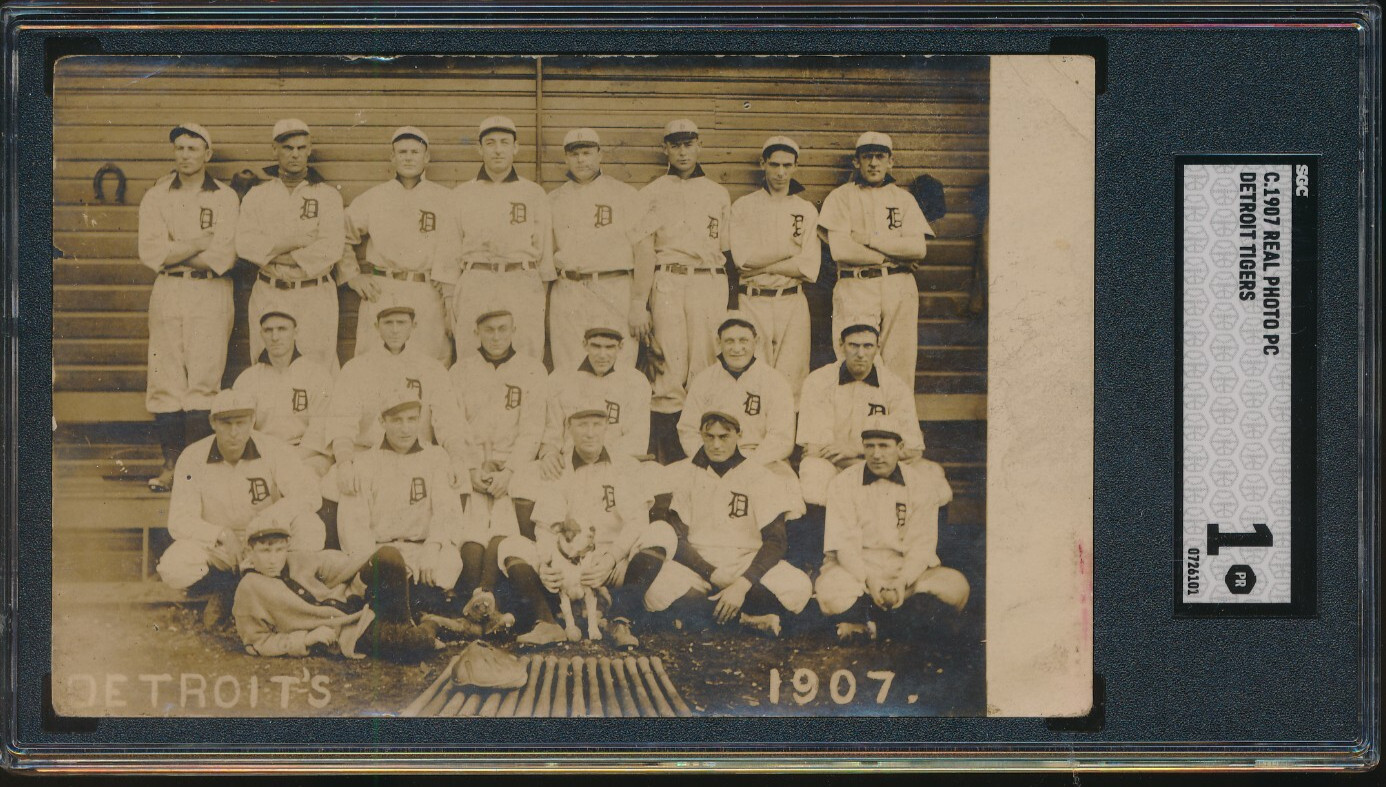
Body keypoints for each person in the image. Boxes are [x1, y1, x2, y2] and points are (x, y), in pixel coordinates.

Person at [500, 404, 668, 648]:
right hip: (571, 566)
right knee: (510, 545)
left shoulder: (625, 465)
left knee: (662, 532)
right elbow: (547, 527)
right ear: (569, 428)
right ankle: (546, 623)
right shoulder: (560, 467)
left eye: (596, 424)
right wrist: (547, 564)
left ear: (606, 427)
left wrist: (611, 559)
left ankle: (620, 620)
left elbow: (637, 522)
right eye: (582, 425)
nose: (590, 433)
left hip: (616, 563)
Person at [156, 389, 326, 628]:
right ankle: (226, 589)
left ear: (252, 421)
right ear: (213, 422)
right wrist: (221, 534)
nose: (234, 432)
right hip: (223, 549)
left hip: (268, 543)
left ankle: (280, 595)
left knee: (311, 527)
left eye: (241, 422)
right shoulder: (192, 457)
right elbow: (179, 520)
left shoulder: (274, 449)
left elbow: (309, 494)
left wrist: (268, 520)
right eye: (226, 423)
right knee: (175, 566)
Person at [643, 411, 813, 637]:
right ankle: (746, 620)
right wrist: (712, 573)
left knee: (798, 587)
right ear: (701, 436)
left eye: (724, 437)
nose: (716, 444)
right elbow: (677, 538)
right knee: (654, 589)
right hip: (699, 565)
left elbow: (776, 541)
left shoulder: (760, 476)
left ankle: (707, 614)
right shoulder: (686, 474)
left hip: (745, 561)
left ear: (738, 435)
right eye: (709, 436)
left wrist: (742, 585)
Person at [138, 122, 240, 492]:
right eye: (179, 148)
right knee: (164, 376)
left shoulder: (225, 197)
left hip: (211, 292)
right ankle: (170, 465)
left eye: (193, 149)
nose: (185, 155)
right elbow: (152, 254)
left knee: (204, 377)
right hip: (168, 290)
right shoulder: (157, 196)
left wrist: (176, 250)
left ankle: (196, 469)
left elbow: (224, 256)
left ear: (207, 154)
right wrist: (197, 242)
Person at [814, 419, 969, 642]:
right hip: (858, 572)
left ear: (900, 447)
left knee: (956, 587)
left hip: (906, 575)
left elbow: (921, 546)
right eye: (869, 446)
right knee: (831, 593)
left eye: (884, 446)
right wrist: (870, 580)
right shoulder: (843, 483)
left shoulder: (921, 485)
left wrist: (902, 581)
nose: (876, 454)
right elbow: (844, 546)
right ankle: (900, 623)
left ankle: (871, 624)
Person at [640, 119, 732, 449]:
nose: (682, 152)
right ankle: (671, 454)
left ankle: (707, 449)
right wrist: (642, 302)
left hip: (708, 279)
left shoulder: (717, 192)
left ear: (699, 145)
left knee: (706, 362)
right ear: (665, 149)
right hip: (667, 279)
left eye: (688, 144)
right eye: (675, 145)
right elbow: (646, 249)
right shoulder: (651, 193)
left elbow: (726, 250)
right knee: (668, 362)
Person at [816, 131, 933, 387]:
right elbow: (841, 250)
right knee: (857, 359)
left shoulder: (903, 199)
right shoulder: (841, 197)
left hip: (898, 287)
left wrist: (868, 238)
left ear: (891, 161)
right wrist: (894, 257)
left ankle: (895, 424)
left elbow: (917, 248)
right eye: (867, 157)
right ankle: (856, 424)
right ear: (856, 162)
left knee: (899, 362)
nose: (873, 163)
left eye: (880, 157)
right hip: (856, 284)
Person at [231, 520, 442, 661]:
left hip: (356, 602)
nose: (273, 558)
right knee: (417, 644)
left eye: (279, 550)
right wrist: (306, 639)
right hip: (347, 631)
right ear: (249, 551)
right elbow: (257, 642)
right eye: (265, 551)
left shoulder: (296, 559)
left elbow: (338, 567)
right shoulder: (249, 588)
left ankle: (404, 626)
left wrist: (367, 566)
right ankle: (429, 624)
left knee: (388, 555)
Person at [450, 309, 549, 610]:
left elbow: (532, 429)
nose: (496, 337)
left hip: (511, 463)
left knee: (505, 517)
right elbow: (454, 423)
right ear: (476, 332)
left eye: (502, 329)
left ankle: (487, 592)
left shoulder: (532, 370)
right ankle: (469, 596)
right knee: (474, 520)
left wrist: (510, 471)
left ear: (513, 330)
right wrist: (470, 467)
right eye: (489, 330)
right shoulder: (461, 371)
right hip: (475, 462)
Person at [434, 116, 554, 360]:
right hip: (476, 280)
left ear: (515, 148)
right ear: (480, 149)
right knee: (471, 351)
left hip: (521, 280)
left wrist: (539, 301)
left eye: (504, 142)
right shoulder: (462, 194)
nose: (498, 150)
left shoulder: (533, 193)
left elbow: (544, 253)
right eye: (490, 143)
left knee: (526, 351)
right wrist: (449, 303)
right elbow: (449, 252)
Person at [335, 387, 465, 611]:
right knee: (383, 580)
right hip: (382, 552)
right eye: (396, 420)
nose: (406, 428)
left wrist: (432, 548)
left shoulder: (435, 457)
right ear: (382, 421)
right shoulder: (365, 462)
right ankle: (414, 610)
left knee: (448, 561)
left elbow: (447, 511)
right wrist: (378, 562)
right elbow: (353, 526)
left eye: (412, 419)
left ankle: (417, 608)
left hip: (423, 549)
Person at [322, 303, 467, 500]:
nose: (395, 329)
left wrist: (457, 459)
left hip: (417, 455)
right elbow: (342, 424)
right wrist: (345, 463)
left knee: (458, 480)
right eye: (388, 323)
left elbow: (448, 422)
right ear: (376, 326)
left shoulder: (432, 368)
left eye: (401, 322)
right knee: (333, 484)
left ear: (413, 326)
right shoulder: (356, 368)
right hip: (370, 455)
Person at [235, 119, 345, 373]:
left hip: (313, 291)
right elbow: (245, 244)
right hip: (270, 289)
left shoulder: (327, 196)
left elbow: (331, 248)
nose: (294, 154)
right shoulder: (258, 195)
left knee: (318, 365)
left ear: (309, 149)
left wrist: (272, 251)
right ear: (275, 149)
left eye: (300, 147)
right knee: (268, 362)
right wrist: (294, 244)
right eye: (287, 148)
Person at [339, 126, 453, 365]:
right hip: (383, 288)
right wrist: (352, 276)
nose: (408, 157)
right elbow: (340, 233)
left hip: (427, 290)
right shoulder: (375, 197)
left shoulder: (444, 199)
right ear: (392, 157)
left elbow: (456, 247)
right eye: (402, 152)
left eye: (415, 151)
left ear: (427, 157)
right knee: (375, 362)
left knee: (429, 361)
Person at [547, 127, 656, 371]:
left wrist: (639, 303)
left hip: (614, 288)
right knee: (570, 368)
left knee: (617, 366)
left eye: (587, 152)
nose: (581, 159)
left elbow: (645, 251)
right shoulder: (553, 199)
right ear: (566, 158)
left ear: (600, 155)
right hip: (568, 292)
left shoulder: (625, 194)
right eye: (574, 154)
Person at [675, 316, 799, 516]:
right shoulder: (704, 380)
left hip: (760, 460)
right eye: (729, 341)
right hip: (712, 459)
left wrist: (747, 466)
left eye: (743, 341)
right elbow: (688, 429)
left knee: (783, 501)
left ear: (755, 343)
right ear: (719, 343)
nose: (737, 348)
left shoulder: (774, 380)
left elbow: (781, 438)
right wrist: (712, 459)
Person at [796, 320, 924, 507]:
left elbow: (912, 447)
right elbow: (816, 449)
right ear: (841, 346)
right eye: (853, 345)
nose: (861, 354)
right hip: (833, 465)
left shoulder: (895, 386)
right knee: (814, 475)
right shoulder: (818, 381)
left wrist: (856, 449)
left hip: (878, 464)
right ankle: (828, 534)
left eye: (868, 346)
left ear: (878, 348)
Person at [729, 135, 820, 397]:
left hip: (791, 300)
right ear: (763, 164)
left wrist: (762, 266)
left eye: (787, 166)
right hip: (753, 299)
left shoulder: (805, 210)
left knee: (792, 379)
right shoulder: (744, 206)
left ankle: (784, 439)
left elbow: (808, 266)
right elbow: (743, 260)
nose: (781, 173)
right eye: (774, 165)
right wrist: (787, 253)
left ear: (795, 167)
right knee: (751, 375)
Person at [538, 327, 651, 476]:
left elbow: (636, 440)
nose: (602, 355)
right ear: (585, 344)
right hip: (569, 466)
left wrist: (598, 461)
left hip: (616, 466)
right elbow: (552, 432)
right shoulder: (560, 378)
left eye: (610, 347)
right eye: (596, 346)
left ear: (621, 347)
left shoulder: (636, 382)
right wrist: (549, 454)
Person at [232, 311, 334, 475]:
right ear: (261, 334)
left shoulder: (316, 374)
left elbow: (320, 429)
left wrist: (287, 460)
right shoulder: (248, 379)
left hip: (307, 456)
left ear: (295, 332)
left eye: (282, 329)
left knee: (303, 479)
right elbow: (243, 430)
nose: (275, 337)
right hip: (264, 456)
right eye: (268, 330)